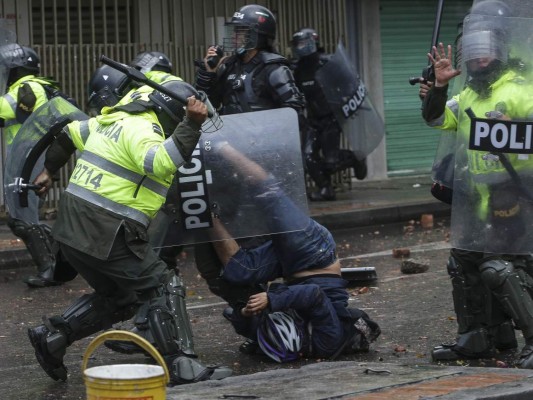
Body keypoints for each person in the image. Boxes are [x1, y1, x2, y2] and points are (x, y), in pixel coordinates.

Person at [26, 79, 232, 384]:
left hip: (70, 229)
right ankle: (182, 366)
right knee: (163, 284)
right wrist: (191, 124)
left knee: (123, 297)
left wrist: (49, 170)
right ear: (172, 113)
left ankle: (54, 336)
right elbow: (161, 164)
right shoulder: (144, 130)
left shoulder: (113, 119)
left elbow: (69, 133)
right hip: (106, 228)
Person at [421, 0, 533, 368]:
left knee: (499, 269)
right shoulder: (468, 95)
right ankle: (479, 338)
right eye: (473, 52)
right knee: (464, 261)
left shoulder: (521, 90)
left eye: (485, 52)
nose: (478, 59)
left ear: (500, 50)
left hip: (518, 195)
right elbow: (437, 121)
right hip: (476, 200)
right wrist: (437, 87)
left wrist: (514, 126)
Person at [192, 3, 309, 336]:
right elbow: (206, 103)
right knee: (220, 254)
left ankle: (275, 316)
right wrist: (208, 72)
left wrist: (260, 143)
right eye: (235, 31)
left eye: (243, 32)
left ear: (260, 35)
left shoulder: (274, 68)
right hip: (229, 170)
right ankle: (248, 310)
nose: (236, 37)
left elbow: (295, 116)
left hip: (262, 173)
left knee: (262, 250)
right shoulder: (228, 67)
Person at [202, 143, 380, 361]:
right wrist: (270, 299)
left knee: (238, 271)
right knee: (268, 194)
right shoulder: (327, 342)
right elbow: (313, 295)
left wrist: (245, 314)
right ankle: (222, 144)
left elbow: (246, 326)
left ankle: (203, 209)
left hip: (289, 266)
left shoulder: (272, 338)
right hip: (315, 253)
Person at [0, 43, 75, 287]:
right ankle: (66, 259)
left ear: (16, 69)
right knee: (22, 216)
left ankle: (51, 269)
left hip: (31, 161)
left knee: (23, 217)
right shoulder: (35, 87)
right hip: (30, 159)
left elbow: (4, 109)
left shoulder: (28, 87)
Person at [291, 28, 367, 201]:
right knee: (308, 157)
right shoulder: (297, 69)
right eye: (297, 44)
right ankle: (325, 188)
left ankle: (354, 158)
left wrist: (345, 102)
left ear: (313, 42)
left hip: (331, 118)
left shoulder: (327, 63)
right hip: (312, 120)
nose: (300, 47)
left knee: (330, 162)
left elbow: (349, 83)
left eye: (303, 43)